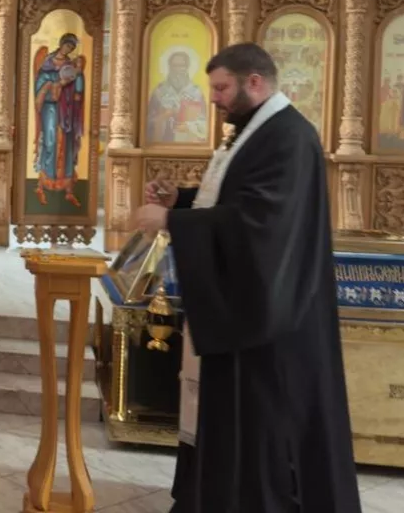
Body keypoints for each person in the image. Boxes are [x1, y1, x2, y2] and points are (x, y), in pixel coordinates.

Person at [133, 43, 361, 513]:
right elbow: (235, 201)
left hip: (274, 326)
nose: (214, 98)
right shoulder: (256, 131)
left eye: (221, 88)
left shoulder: (288, 137)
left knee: (267, 435)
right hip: (252, 315)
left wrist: (172, 221)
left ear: (253, 82)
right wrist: (182, 199)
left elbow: (261, 223)